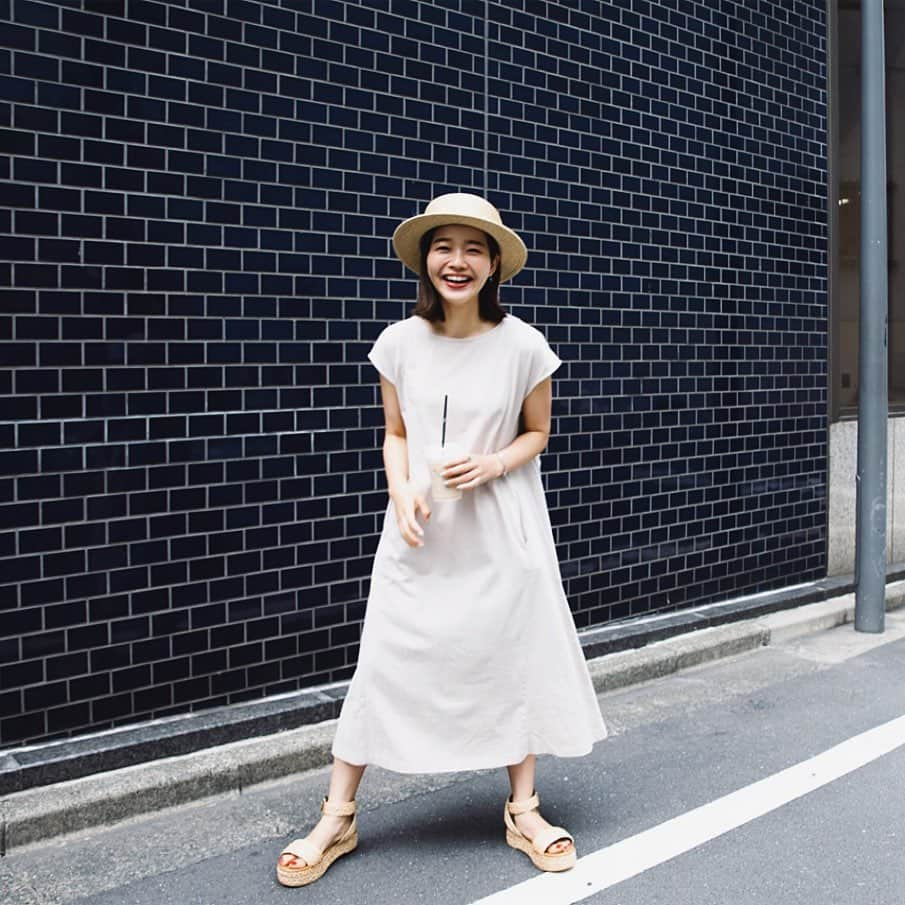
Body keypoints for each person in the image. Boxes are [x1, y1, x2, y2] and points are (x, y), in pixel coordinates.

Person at [276, 193, 607, 887]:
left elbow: (537, 433)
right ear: (426, 260)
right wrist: (399, 488)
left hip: (501, 532)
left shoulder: (523, 344)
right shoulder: (398, 342)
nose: (457, 261)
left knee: (510, 657)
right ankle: (337, 815)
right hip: (419, 532)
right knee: (384, 659)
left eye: (473, 248)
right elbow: (396, 434)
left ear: (493, 264)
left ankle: (524, 808)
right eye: (443, 246)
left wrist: (491, 462)